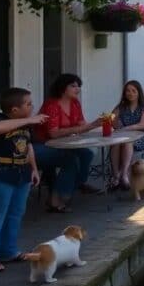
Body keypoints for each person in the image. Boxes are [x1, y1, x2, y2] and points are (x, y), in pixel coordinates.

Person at [0, 88, 45, 273]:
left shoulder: (25, 125)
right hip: (1, 174)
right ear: (15, 110)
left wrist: (34, 169)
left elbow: (28, 146)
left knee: (16, 214)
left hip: (22, 173)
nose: (32, 107)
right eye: (28, 104)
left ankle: (9, 250)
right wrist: (30, 120)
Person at [34, 73, 100, 209]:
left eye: (78, 86)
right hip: (42, 144)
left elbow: (83, 125)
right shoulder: (51, 105)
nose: (78, 89)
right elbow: (53, 133)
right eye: (73, 86)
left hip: (65, 143)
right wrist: (90, 126)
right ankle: (58, 197)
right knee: (70, 159)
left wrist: (101, 126)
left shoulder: (75, 103)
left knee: (87, 153)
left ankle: (74, 185)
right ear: (62, 88)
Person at [107, 81, 144, 192]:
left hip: (140, 137)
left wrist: (126, 128)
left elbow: (142, 125)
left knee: (127, 142)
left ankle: (124, 175)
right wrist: (112, 120)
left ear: (138, 93)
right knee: (116, 142)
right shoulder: (121, 106)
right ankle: (116, 175)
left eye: (133, 91)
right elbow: (110, 120)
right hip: (122, 136)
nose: (130, 93)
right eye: (127, 91)